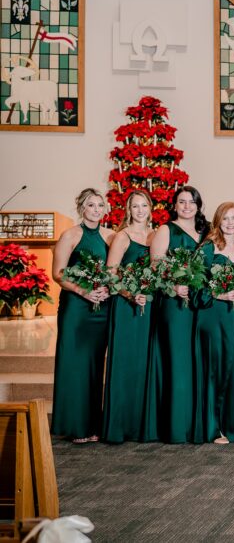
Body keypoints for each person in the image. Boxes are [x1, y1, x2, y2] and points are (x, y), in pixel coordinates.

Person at [144, 185, 208, 443]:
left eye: (191, 202)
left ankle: (197, 425)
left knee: (197, 362)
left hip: (199, 304)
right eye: (182, 202)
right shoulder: (165, 230)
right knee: (178, 362)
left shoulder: (205, 232)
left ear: (198, 205)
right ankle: (176, 426)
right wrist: (174, 286)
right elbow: (156, 265)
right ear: (175, 205)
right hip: (175, 303)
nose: (186, 206)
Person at [51, 188, 114, 443]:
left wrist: (107, 289)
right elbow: (58, 273)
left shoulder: (111, 236)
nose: (96, 209)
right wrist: (84, 291)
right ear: (82, 208)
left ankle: (93, 424)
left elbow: (116, 270)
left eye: (100, 205)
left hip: (102, 309)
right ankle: (76, 426)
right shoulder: (70, 235)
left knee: (95, 365)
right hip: (77, 309)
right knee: (74, 365)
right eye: (91, 205)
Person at [103, 190, 155, 443]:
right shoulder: (122, 237)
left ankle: (141, 426)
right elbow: (110, 274)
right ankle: (119, 426)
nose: (140, 210)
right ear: (128, 210)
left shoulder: (157, 236)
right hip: (127, 306)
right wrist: (130, 293)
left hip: (151, 307)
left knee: (146, 365)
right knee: (126, 363)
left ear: (150, 208)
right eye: (135, 206)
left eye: (144, 205)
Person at [192, 202, 234, 444]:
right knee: (215, 367)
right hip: (213, 314)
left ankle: (231, 424)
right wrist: (217, 294)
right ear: (218, 221)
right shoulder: (208, 248)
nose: (230, 223)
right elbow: (195, 283)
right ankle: (214, 427)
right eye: (225, 219)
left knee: (233, 367)